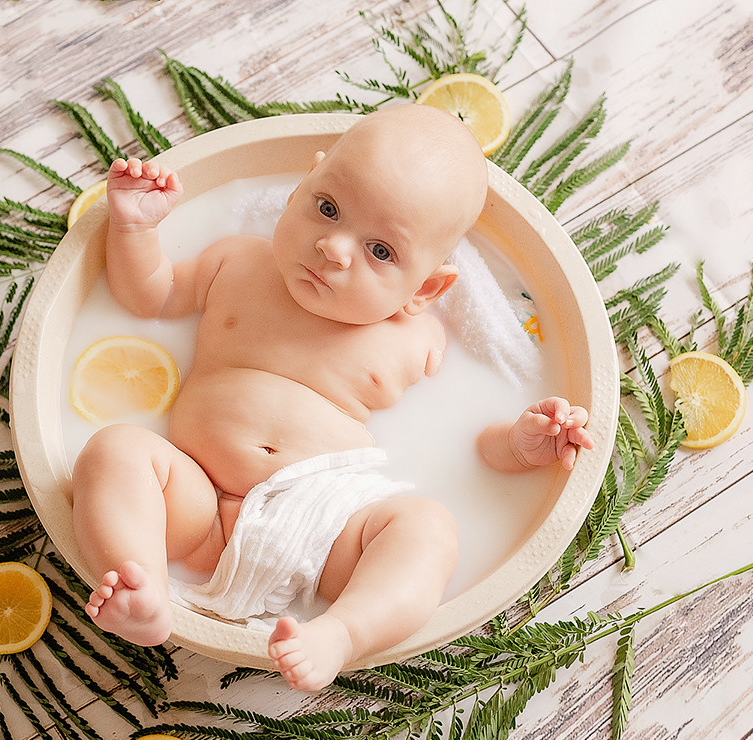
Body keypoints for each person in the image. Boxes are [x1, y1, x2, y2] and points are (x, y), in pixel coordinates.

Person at [72, 104, 595, 691]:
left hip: (326, 526)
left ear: (425, 288)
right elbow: (153, 296)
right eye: (327, 209)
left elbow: (457, 439)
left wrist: (523, 444)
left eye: (380, 251)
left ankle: (343, 631)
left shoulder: (414, 338)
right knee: (114, 451)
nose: (334, 249)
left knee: (427, 528)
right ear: (303, 185)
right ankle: (144, 589)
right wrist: (135, 228)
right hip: (197, 499)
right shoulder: (238, 262)